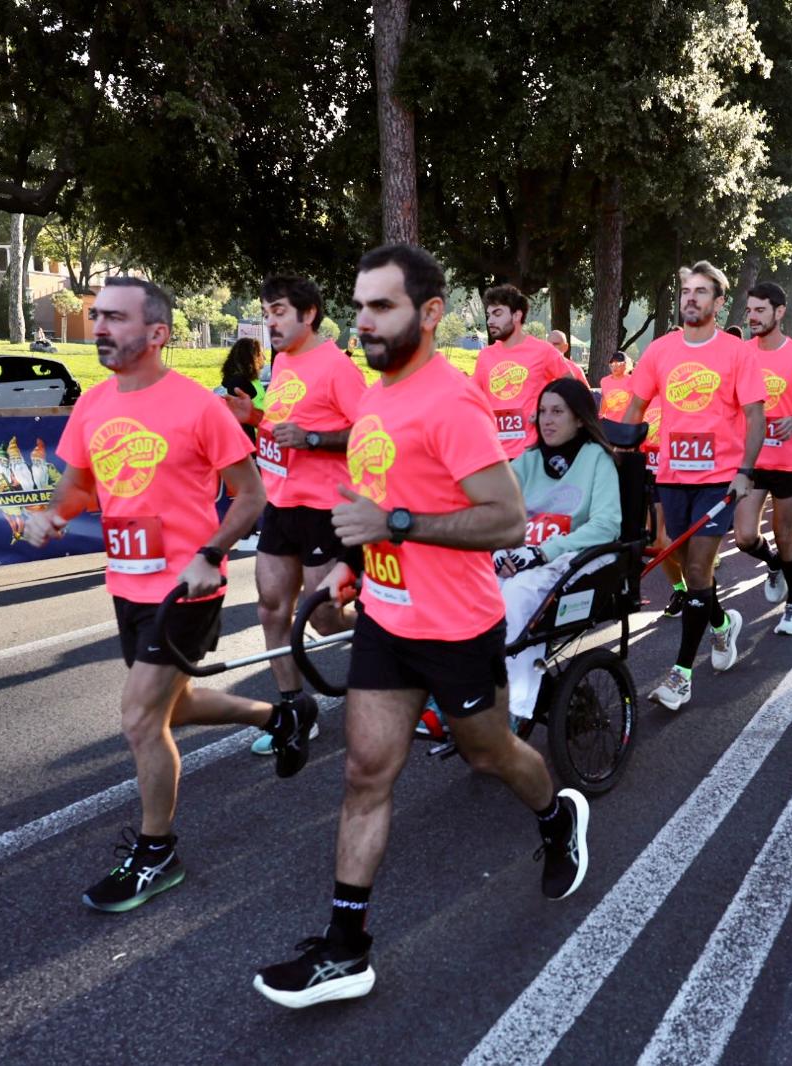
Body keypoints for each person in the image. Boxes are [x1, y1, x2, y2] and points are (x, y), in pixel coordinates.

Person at [253, 244, 589, 1010]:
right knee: (365, 773)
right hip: (386, 617)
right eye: (360, 306)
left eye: (384, 306)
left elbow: (506, 520)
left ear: (430, 312)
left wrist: (397, 525)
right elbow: (374, 502)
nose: (365, 321)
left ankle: (556, 816)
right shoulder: (375, 398)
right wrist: (354, 564)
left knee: (489, 754)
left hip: (458, 628)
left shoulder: (451, 402)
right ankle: (346, 950)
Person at [22, 277, 306, 913]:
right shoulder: (92, 405)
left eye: (115, 318)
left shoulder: (200, 408)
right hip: (128, 580)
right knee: (171, 710)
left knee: (140, 718)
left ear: (157, 333)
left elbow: (251, 496)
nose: (100, 327)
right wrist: (53, 514)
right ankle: (278, 716)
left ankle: (157, 852)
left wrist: (211, 553)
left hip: (188, 585)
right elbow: (79, 486)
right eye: (97, 315)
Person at [227, 276, 365, 757]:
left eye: (280, 311)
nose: (270, 322)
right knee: (271, 609)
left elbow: (371, 433)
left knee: (324, 619)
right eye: (267, 312)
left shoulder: (338, 367)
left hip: (325, 509)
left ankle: (396, 633)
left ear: (309, 315)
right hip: (281, 504)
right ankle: (295, 711)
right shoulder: (283, 362)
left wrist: (312, 440)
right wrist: (254, 418)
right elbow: (282, 428)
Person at [623, 261, 766, 710]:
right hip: (672, 475)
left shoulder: (737, 353)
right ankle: (722, 625)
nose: (691, 297)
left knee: (700, 569)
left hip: (718, 478)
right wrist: (617, 456)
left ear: (718, 303)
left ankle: (681, 675)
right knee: (681, 562)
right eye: (687, 290)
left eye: (701, 291)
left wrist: (745, 471)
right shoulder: (660, 350)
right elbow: (635, 408)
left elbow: (756, 417)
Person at [498, 379, 622, 719]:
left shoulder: (597, 458)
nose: (547, 420)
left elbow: (606, 524)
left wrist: (543, 552)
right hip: (524, 555)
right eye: (542, 412)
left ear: (579, 419)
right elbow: (496, 509)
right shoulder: (528, 460)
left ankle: (513, 705)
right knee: (477, 590)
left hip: (575, 556)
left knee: (518, 594)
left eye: (557, 412)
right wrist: (498, 551)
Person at [734, 283, 792, 636]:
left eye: (760, 310)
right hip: (752, 461)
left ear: (779, 312)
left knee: (784, 534)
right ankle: (773, 563)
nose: (753, 317)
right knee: (745, 537)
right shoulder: (741, 353)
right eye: (749, 310)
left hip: (789, 463)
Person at [474, 286, 578, 460]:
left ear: (517, 315)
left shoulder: (543, 351)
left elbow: (572, 387)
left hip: (533, 451)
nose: (490, 321)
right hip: (495, 454)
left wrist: (546, 410)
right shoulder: (485, 356)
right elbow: (472, 399)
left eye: (497, 314)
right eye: (488, 315)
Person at [219, 337, 266, 444]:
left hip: (262, 437)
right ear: (253, 357)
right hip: (252, 442)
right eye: (261, 354)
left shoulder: (251, 380)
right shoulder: (238, 382)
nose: (264, 357)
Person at [598, 350, 635, 420]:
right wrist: (601, 414)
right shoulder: (604, 381)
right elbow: (604, 399)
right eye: (612, 364)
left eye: (618, 364)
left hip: (627, 421)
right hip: (610, 421)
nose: (615, 367)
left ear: (626, 365)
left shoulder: (633, 380)